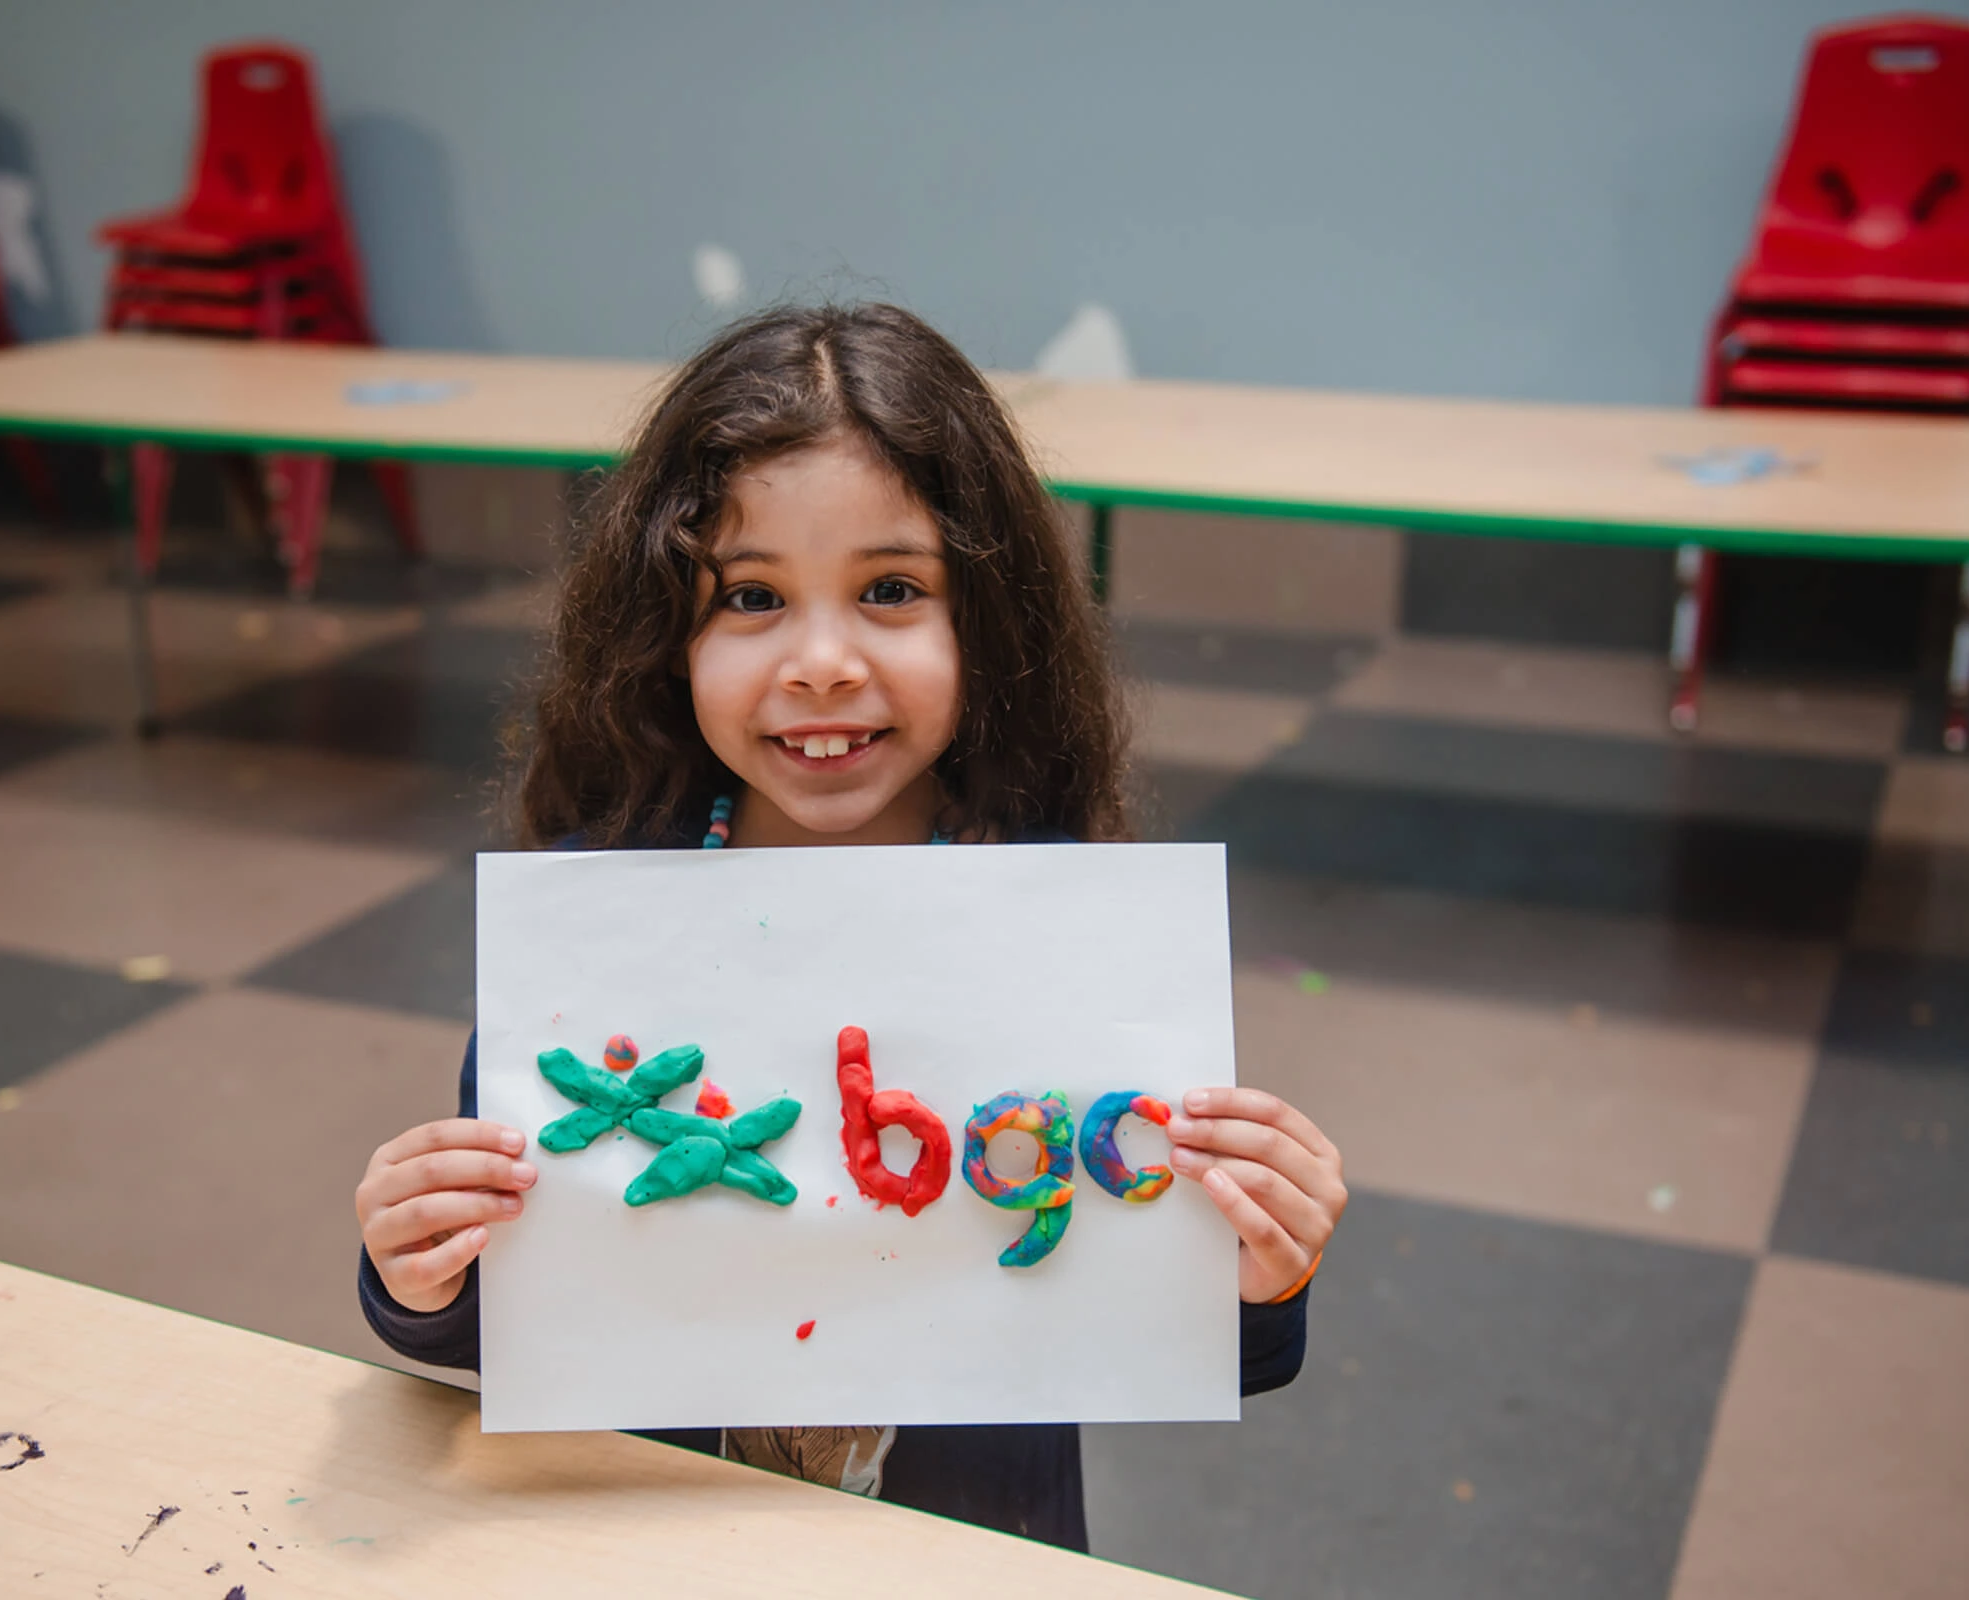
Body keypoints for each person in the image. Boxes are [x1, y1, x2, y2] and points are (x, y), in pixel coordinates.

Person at [355, 302, 1348, 1552]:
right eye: (753, 596)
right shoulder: (606, 937)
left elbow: (1162, 1316)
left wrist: (1264, 1266)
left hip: (973, 1548)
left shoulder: (1067, 939)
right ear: (668, 635)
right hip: (655, 1548)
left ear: (988, 622)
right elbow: (516, 1311)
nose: (821, 660)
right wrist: (417, 1275)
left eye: (890, 589)